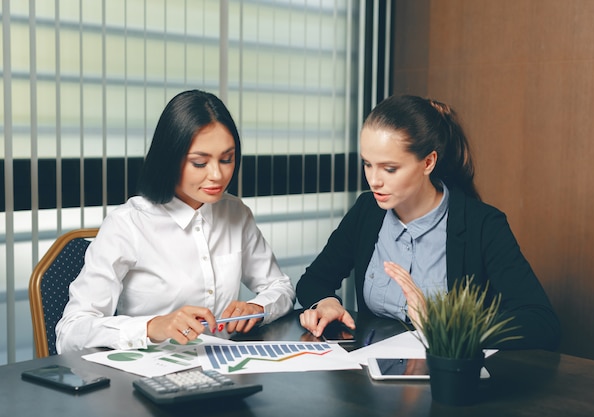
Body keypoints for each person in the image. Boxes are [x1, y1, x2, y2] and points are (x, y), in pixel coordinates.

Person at [297, 94, 560, 350]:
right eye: (368, 164)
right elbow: (314, 280)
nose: (374, 180)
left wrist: (445, 324)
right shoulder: (367, 212)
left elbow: (541, 323)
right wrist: (325, 302)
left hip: (449, 381)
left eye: (390, 169)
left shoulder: (483, 224)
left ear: (428, 162)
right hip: (372, 377)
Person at [56, 90, 295, 353]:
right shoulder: (127, 225)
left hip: (224, 368)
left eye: (226, 159)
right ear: (169, 159)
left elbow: (280, 287)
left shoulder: (235, 212)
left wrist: (259, 308)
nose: (217, 175)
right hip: (147, 378)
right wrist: (152, 327)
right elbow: (70, 332)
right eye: (200, 163)